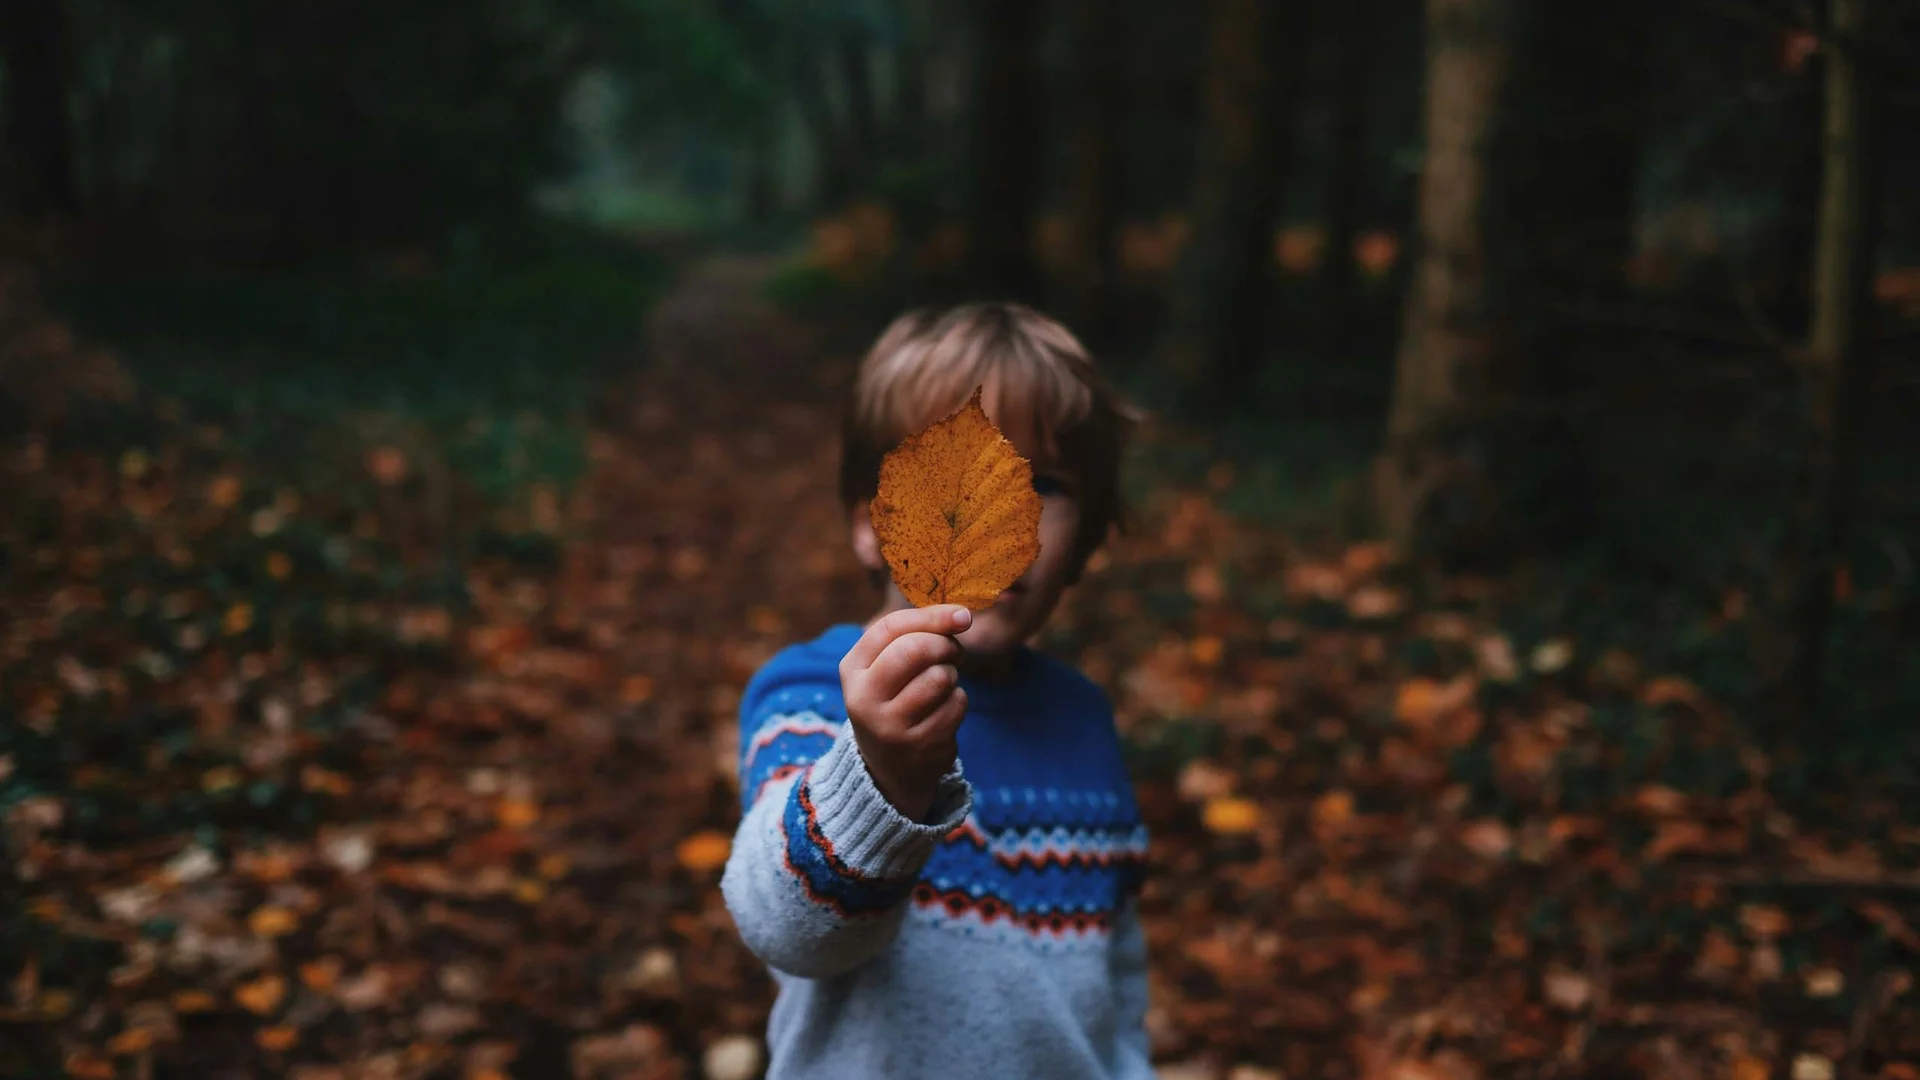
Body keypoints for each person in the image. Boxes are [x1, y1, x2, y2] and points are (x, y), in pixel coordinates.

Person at [721, 302, 1153, 1079]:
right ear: (871, 523)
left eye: (1043, 483)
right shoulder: (814, 695)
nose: (1001, 511)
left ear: (1086, 542)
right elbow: (786, 931)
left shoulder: (1083, 720)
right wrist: (880, 775)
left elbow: (1115, 979)